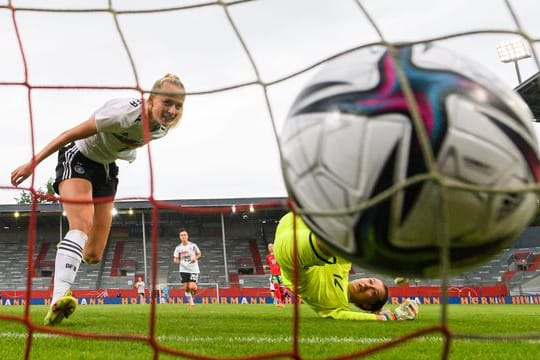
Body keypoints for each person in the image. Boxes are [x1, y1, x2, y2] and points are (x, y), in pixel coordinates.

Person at [10, 74, 186, 326]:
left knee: (93, 254)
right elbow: (67, 134)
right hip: (78, 156)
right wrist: (32, 164)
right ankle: (58, 299)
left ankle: (67, 259)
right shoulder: (122, 113)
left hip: (106, 169)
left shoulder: (162, 128)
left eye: (178, 106)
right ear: (150, 99)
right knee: (81, 224)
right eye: (167, 102)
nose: (171, 111)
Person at [273, 212, 419, 321]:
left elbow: (342, 315)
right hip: (298, 221)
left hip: (291, 257)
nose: (366, 285)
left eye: (373, 293)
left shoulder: (337, 304)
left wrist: (389, 317)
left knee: (340, 239)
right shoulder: (345, 267)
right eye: (370, 281)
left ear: (367, 306)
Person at [173, 228, 202, 308]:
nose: (183, 236)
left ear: (187, 236)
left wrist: (195, 258)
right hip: (183, 269)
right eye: (181, 235)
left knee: (192, 287)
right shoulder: (178, 248)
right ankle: (191, 303)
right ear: (180, 237)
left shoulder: (193, 245)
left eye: (184, 235)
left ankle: (195, 289)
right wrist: (177, 260)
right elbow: (175, 259)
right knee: (186, 288)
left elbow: (199, 254)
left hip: (194, 269)